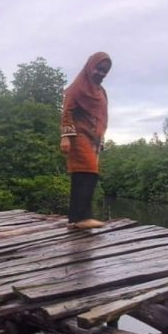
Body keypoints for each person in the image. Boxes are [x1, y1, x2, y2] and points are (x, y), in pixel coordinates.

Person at [60, 52, 112, 229]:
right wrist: (66, 136)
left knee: (86, 174)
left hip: (94, 138)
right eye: (98, 69)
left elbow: (101, 116)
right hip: (78, 135)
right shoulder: (78, 87)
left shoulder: (101, 91)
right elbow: (67, 111)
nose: (101, 73)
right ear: (90, 66)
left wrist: (101, 139)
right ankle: (82, 218)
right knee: (87, 171)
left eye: (105, 71)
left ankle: (75, 219)